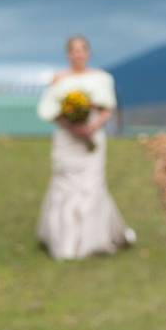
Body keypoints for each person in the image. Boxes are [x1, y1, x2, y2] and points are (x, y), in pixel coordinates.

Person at [36, 35, 136, 260]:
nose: (78, 54)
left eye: (82, 50)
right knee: (65, 186)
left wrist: (90, 128)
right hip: (67, 140)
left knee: (91, 185)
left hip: (91, 139)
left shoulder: (101, 79)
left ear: (88, 53)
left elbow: (107, 109)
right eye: (74, 50)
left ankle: (92, 241)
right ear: (68, 54)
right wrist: (71, 126)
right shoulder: (58, 80)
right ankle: (64, 242)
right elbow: (50, 111)